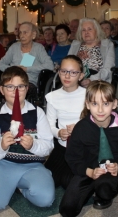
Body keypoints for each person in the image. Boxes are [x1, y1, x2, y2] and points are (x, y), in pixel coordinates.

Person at [0, 66, 55, 212]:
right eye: (10, 87)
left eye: (20, 86)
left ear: (27, 89)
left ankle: (18, 187)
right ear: (2, 90)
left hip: (33, 166)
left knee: (45, 200)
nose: (15, 91)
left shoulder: (37, 113)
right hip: (5, 165)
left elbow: (48, 146)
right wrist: (1, 146)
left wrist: (33, 145)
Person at [59, 80, 118, 216]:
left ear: (114, 104)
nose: (100, 110)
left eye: (106, 104)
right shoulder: (81, 128)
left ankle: (102, 193)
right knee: (67, 210)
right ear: (87, 104)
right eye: (94, 104)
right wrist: (89, 172)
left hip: (110, 171)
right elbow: (72, 157)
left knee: (105, 189)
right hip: (88, 170)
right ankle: (88, 189)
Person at [44, 55, 86, 189]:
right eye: (64, 71)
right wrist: (59, 132)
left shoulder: (88, 95)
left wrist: (79, 130)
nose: (67, 76)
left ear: (81, 76)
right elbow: (49, 124)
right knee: (50, 180)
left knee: (68, 181)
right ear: (59, 72)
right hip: (62, 146)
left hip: (82, 147)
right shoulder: (53, 97)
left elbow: (94, 122)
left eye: (73, 72)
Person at [0, 22, 54, 95]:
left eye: (25, 32)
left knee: (19, 90)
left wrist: (27, 69)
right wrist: (14, 69)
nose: (22, 36)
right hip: (11, 81)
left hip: (29, 82)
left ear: (33, 35)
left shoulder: (38, 48)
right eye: (20, 33)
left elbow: (50, 65)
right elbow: (0, 64)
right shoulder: (14, 47)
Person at [68, 18, 115, 87]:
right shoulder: (75, 44)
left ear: (97, 31)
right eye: (83, 30)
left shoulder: (107, 45)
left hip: (98, 81)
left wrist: (92, 79)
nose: (86, 32)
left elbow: (108, 69)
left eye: (89, 29)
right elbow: (67, 64)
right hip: (76, 79)